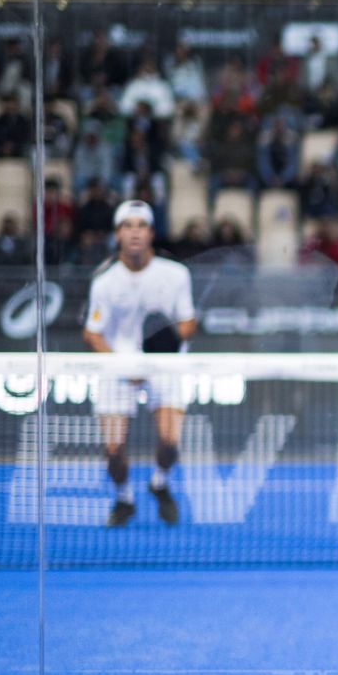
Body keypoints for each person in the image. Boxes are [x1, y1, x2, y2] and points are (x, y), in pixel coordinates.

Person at [82, 200, 197, 528]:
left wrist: (169, 339)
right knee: (114, 451)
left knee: (170, 443)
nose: (135, 233)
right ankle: (124, 498)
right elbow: (92, 334)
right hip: (119, 368)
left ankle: (159, 481)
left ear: (151, 233)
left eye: (141, 226)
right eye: (127, 226)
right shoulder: (104, 282)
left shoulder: (176, 275)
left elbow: (188, 324)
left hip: (164, 366)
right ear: (118, 234)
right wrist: (121, 366)